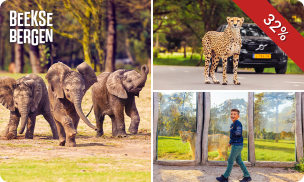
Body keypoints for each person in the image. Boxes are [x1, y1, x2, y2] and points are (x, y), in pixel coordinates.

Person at [216, 108, 251, 182]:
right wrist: (230, 142)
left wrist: (231, 130)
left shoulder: (237, 123)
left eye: (234, 114)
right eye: (231, 114)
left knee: (230, 160)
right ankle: (247, 176)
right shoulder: (233, 124)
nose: (232, 115)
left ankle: (225, 177)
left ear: (238, 116)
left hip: (237, 145)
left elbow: (238, 133)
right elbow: (234, 136)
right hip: (236, 144)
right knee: (239, 161)